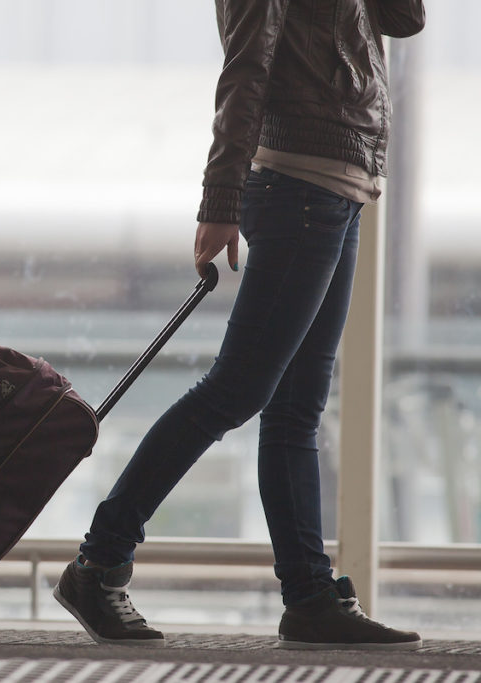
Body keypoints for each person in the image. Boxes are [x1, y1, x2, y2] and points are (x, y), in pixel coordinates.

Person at [54, 0, 426, 650]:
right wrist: (219, 200)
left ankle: (309, 596)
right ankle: (98, 560)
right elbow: (246, 65)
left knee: (294, 410)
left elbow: (404, 17)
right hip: (296, 184)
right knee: (235, 391)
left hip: (338, 187)